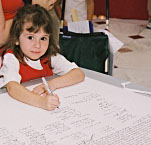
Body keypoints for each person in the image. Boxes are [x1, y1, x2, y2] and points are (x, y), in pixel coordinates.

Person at [0, 4, 85, 111]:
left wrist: (52, 84)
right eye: (31, 37)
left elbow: (78, 74)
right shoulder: (11, 58)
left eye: (43, 38)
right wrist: (41, 102)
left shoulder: (49, 56)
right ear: (16, 39)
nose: (37, 45)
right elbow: (12, 88)